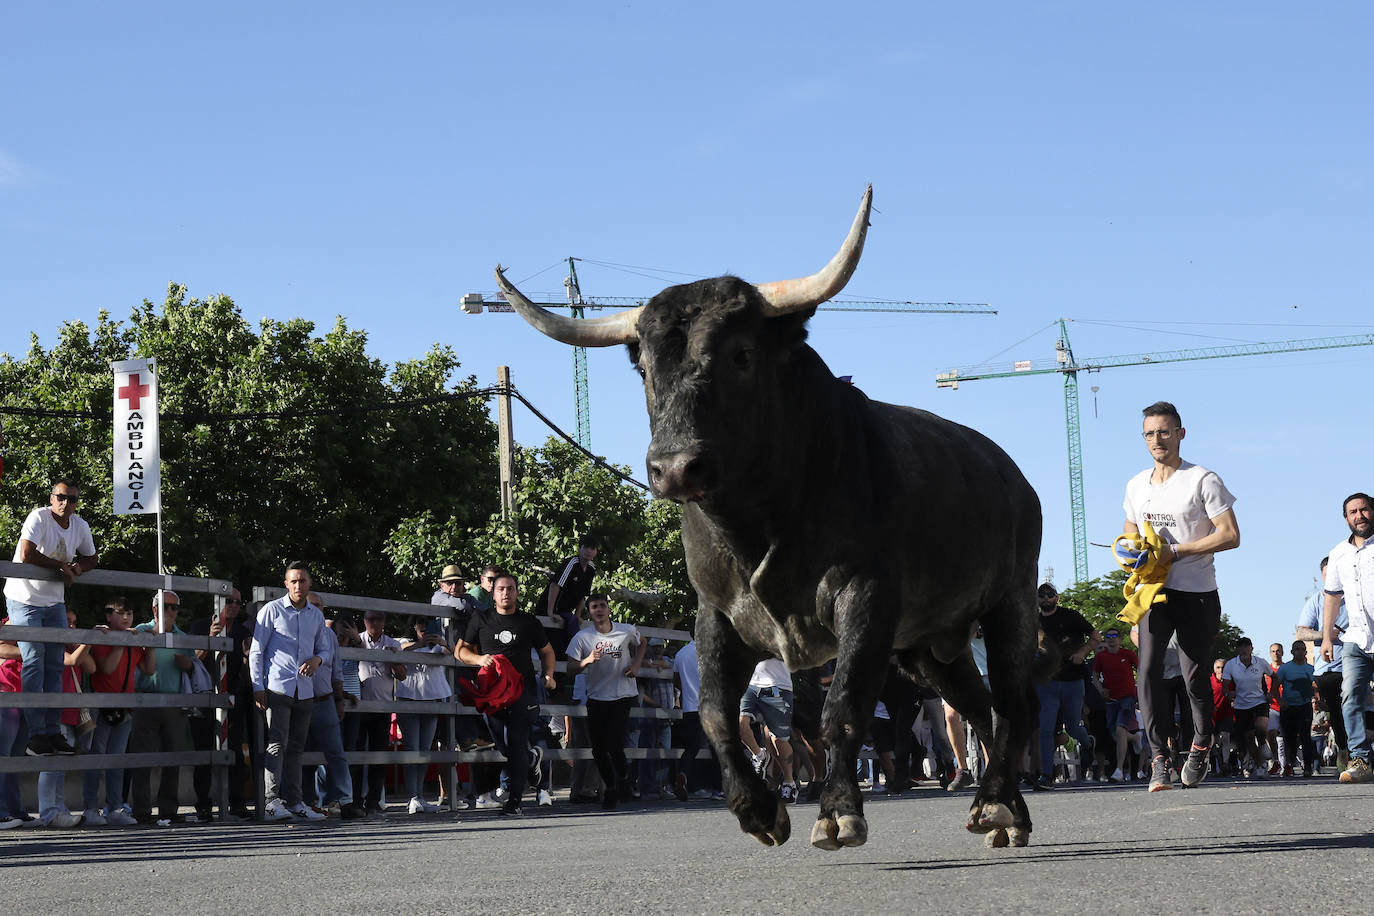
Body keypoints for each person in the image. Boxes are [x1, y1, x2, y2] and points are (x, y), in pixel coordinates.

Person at [1121, 401, 1240, 791]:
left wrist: (1178, 551)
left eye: (1165, 431)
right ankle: (1159, 759)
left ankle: (1201, 742)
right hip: (1154, 592)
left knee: (1194, 679)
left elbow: (1229, 535)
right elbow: (1129, 529)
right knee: (1150, 669)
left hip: (1197, 591)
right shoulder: (1136, 484)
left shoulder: (1202, 479)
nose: (1158, 439)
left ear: (1180, 434)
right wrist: (1127, 549)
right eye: (1150, 433)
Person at [3, 478, 98, 756]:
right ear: (51, 497)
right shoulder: (38, 517)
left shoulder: (79, 525)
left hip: (54, 602)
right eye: (61, 497)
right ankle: (36, 737)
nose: (66, 503)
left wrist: (77, 568)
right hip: (24, 598)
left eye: (72, 499)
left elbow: (93, 558)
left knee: (56, 664)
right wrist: (62, 567)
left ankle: (52, 732)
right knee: (33, 661)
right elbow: (26, 552)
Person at [455, 571, 556, 816]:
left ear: (517, 592)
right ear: (493, 592)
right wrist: (480, 659)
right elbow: (460, 651)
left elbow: (547, 652)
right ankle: (531, 759)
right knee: (503, 745)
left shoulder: (528, 621)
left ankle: (515, 802)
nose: (506, 593)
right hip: (492, 692)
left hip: (523, 691)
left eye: (510, 588)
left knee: (518, 740)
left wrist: (549, 675)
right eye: (501, 589)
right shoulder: (482, 618)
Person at [248, 562, 332, 821]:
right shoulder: (271, 611)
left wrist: (318, 660)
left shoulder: (316, 616)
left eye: (302, 581)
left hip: (304, 690)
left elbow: (326, 649)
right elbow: (257, 651)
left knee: (297, 747)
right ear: (285, 584)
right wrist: (258, 687)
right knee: (276, 744)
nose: (298, 585)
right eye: (293, 581)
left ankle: (295, 802)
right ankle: (272, 801)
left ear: (309, 583)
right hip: (278, 688)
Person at [565, 594, 644, 810]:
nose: (599, 610)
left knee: (614, 743)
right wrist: (586, 661)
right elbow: (570, 668)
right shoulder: (583, 637)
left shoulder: (626, 630)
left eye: (602, 606)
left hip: (623, 694)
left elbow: (642, 642)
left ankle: (622, 779)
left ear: (609, 609)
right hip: (597, 696)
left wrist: (636, 665)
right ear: (589, 612)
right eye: (594, 607)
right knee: (598, 749)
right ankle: (612, 785)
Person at [82, 597, 155, 826]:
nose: (126, 618)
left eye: (130, 613)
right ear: (108, 616)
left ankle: (115, 806)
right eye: (120, 613)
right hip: (100, 706)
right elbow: (106, 668)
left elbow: (149, 669)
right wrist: (122, 643)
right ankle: (90, 808)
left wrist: (149, 646)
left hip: (125, 707)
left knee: (118, 759)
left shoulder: (133, 641)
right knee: (96, 758)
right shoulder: (102, 638)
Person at [1321, 492, 1374, 783]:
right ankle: (1361, 761)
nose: (1359, 516)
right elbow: (1332, 598)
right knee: (1350, 697)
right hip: (1355, 639)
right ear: (1346, 519)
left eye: (1364, 510)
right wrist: (1327, 637)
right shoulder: (1339, 553)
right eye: (1353, 512)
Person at [129, 590, 195, 824]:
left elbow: (194, 668)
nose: (170, 611)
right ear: (154, 608)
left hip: (175, 703)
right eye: (165, 606)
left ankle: (169, 810)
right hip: (144, 700)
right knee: (142, 759)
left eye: (174, 607)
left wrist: (188, 665)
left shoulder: (183, 637)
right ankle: (141, 811)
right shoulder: (140, 631)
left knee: (173, 758)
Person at [301, 596, 364, 819]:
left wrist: (339, 700)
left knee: (336, 752)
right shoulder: (295, 630)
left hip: (325, 699)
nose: (315, 609)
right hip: (300, 700)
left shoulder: (328, 635)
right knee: (302, 753)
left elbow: (336, 671)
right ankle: (305, 801)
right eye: (311, 605)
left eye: (318, 605)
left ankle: (345, 800)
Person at [1035, 583, 1099, 790]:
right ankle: (1047, 775)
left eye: (1049, 594)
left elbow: (1096, 637)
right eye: (1041, 595)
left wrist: (1082, 653)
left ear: (1057, 597)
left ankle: (1087, 743)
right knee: (1045, 729)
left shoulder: (1070, 616)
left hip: (1072, 680)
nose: (1045, 598)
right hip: (1046, 682)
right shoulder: (1032, 621)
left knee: (1072, 726)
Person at [397, 614, 452, 815]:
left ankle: (420, 796)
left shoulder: (437, 645)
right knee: (412, 749)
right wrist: (420, 643)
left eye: (428, 628)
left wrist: (442, 642)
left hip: (432, 699)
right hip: (409, 699)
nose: (425, 631)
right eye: (421, 627)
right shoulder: (405, 642)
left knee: (425, 751)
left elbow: (450, 653)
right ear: (413, 627)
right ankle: (412, 796)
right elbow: (399, 650)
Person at [1297, 557, 1347, 769]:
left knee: (1355, 708)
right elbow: (1301, 632)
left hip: (1356, 663)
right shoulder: (1316, 601)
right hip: (1328, 668)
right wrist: (1326, 634)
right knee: (1339, 711)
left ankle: (1359, 752)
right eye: (1328, 575)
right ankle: (1345, 751)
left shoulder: (1356, 598)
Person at [354, 611, 407, 813]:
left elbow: (402, 676)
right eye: (369, 619)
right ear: (364, 620)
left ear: (384, 621)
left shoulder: (393, 643)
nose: (373, 622)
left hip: (382, 707)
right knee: (356, 757)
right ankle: (356, 801)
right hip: (358, 706)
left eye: (377, 619)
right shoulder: (356, 640)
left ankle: (373, 802)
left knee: (379, 757)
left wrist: (393, 659)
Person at [738, 657, 798, 803]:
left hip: (778, 686)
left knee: (778, 740)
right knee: (739, 725)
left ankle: (789, 783)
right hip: (751, 685)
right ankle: (760, 756)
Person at [1092, 628, 1138, 782]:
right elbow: (1095, 677)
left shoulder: (1128, 654)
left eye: (1114, 635)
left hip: (1127, 698)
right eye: (1108, 636)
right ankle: (1136, 738)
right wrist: (1100, 689)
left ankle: (1119, 769)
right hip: (1110, 700)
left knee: (1120, 729)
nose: (1111, 639)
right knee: (1116, 734)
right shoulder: (1101, 657)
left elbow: (1142, 670)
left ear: (1119, 639)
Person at [1222, 638, 1270, 779]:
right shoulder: (1231, 665)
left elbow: (1274, 677)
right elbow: (1225, 686)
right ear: (1238, 649)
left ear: (1251, 648)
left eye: (1246, 646)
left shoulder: (1260, 662)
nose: (1244, 649)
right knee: (1248, 738)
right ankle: (1260, 764)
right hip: (1241, 704)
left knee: (1261, 728)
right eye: (1241, 647)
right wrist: (1228, 693)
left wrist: (1271, 693)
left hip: (1260, 700)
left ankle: (1262, 744)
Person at [542, 535, 600, 648]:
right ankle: (578, 651)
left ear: (595, 552)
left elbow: (583, 594)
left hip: (566, 612)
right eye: (586, 547)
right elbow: (555, 585)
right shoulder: (572, 563)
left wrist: (578, 614)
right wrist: (550, 612)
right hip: (550, 608)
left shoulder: (591, 568)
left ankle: (575, 653)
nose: (588, 551)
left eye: (592, 548)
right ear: (579, 548)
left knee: (572, 624)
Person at [1269, 639, 1316, 777]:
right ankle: (1288, 766)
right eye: (1297, 649)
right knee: (1289, 739)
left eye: (1302, 649)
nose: (1300, 652)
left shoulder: (1311, 669)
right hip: (1288, 707)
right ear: (1292, 652)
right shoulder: (1285, 669)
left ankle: (1307, 767)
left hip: (1305, 706)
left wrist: (1318, 699)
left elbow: (1317, 687)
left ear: (1306, 652)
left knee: (1305, 736)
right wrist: (1280, 701)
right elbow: (1274, 688)